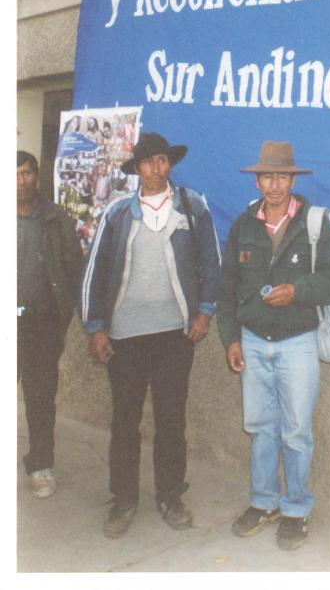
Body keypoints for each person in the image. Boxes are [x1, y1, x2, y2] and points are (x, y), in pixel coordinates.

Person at [80, 132, 221, 538]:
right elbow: (93, 273)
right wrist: (96, 327)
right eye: (148, 162)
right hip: (124, 337)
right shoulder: (118, 212)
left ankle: (170, 496)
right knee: (125, 420)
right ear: (137, 169)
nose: (157, 169)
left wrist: (204, 312)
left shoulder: (192, 207)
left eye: (162, 161)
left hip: (174, 336)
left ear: (169, 164)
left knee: (171, 420)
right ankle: (123, 500)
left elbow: (212, 263)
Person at [217, 141, 330, 551]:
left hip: (297, 343)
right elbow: (227, 288)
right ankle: (262, 502)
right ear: (257, 180)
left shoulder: (314, 223)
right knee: (260, 429)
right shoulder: (244, 225)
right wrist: (231, 339)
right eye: (267, 177)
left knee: (296, 431)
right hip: (254, 343)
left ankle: (295, 509)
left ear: (293, 179)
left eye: (282, 177)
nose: (275, 185)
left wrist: (298, 290)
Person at [17, 150, 82, 499]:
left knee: (40, 399)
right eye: (13, 174)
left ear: (36, 176)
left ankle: (40, 465)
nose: (21, 181)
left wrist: (63, 314)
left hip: (42, 324)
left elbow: (74, 267)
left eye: (27, 173)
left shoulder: (56, 218)